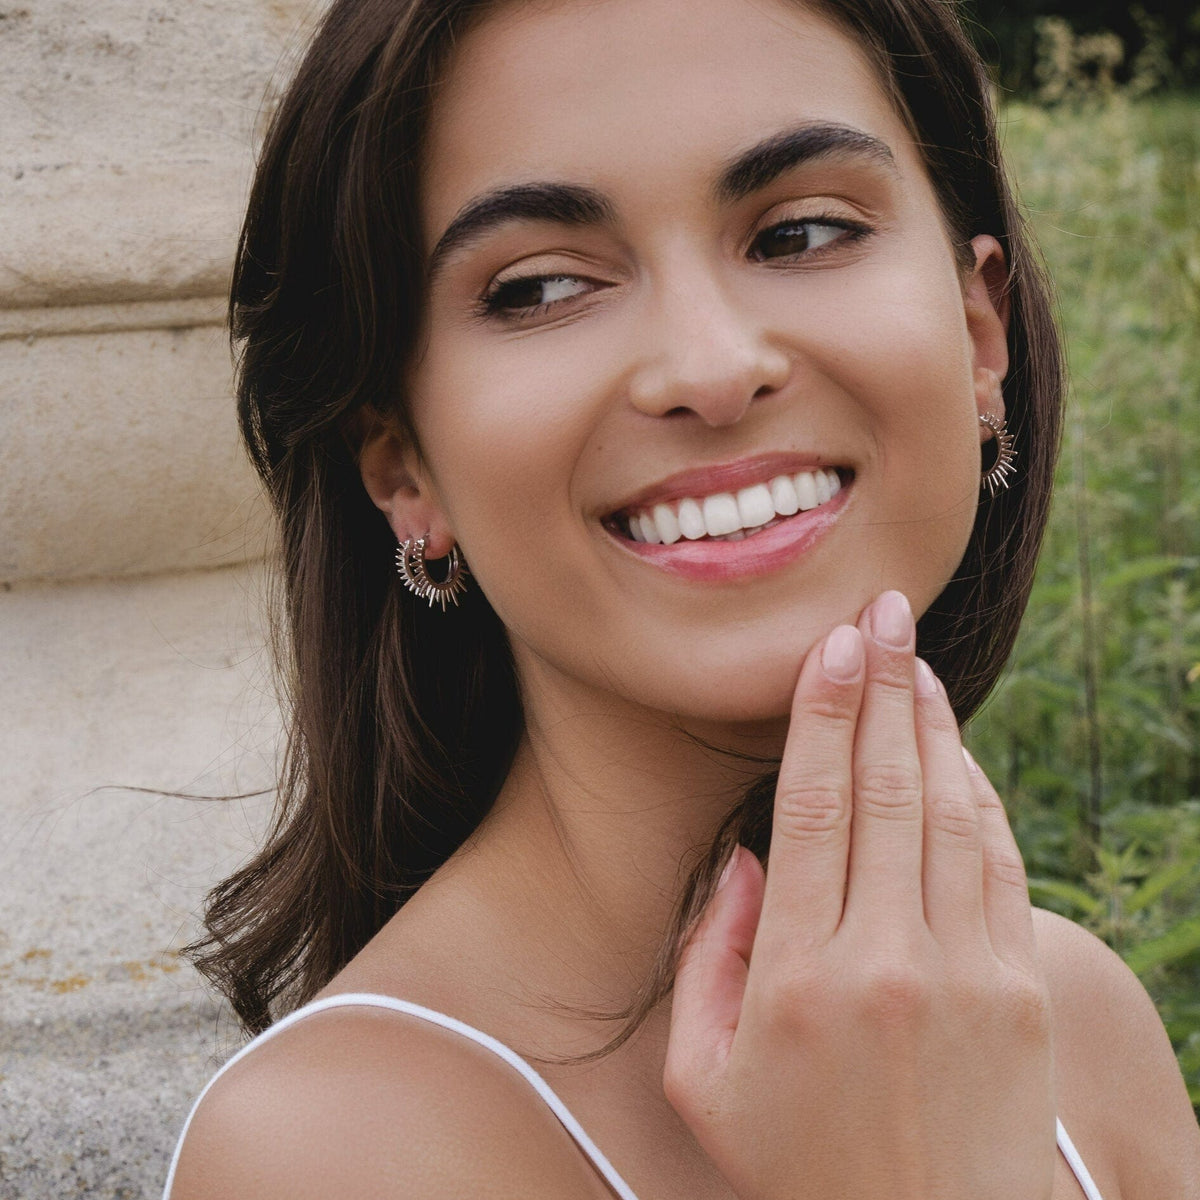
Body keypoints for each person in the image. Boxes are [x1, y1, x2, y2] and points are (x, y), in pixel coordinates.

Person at [164, 0, 1200, 1196]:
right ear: (400, 462)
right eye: (541, 289)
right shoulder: (332, 1154)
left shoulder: (1075, 1019)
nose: (711, 369)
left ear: (979, 330)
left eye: (804, 232)